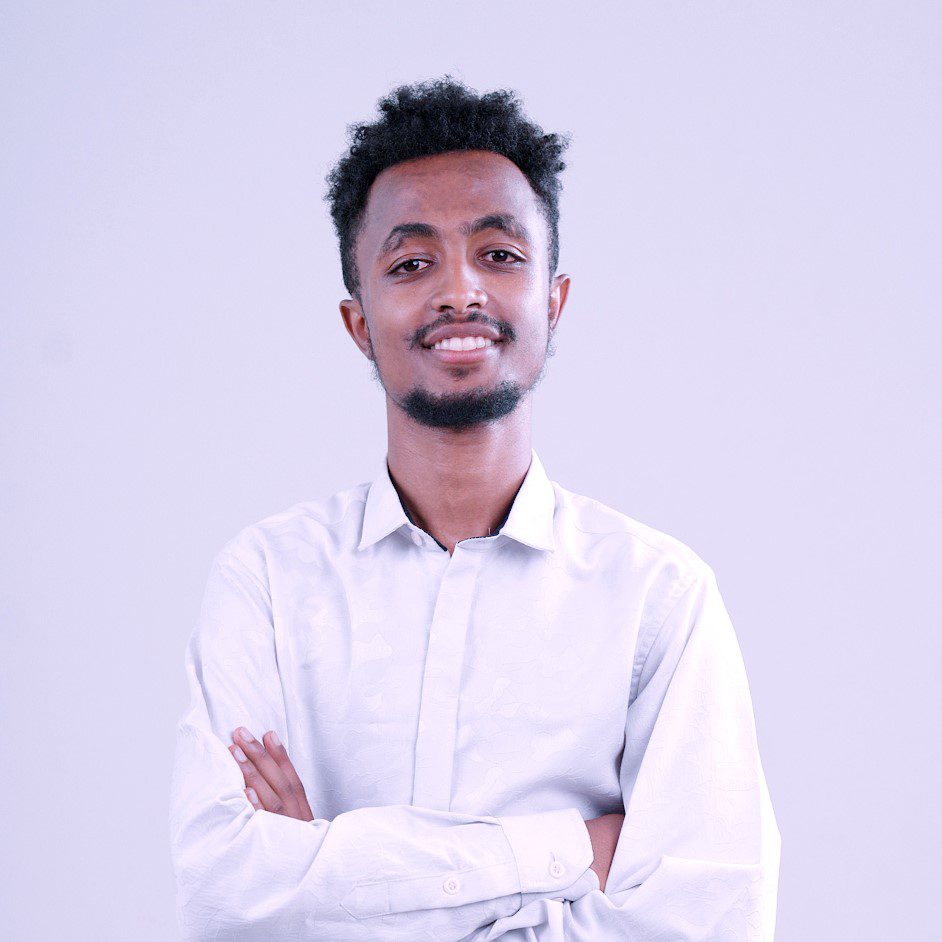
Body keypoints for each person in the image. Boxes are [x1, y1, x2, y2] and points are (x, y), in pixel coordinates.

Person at [169, 75, 781, 941]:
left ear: (553, 303)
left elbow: (707, 922)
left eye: (499, 255)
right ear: (358, 322)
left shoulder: (659, 597)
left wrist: (329, 874)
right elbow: (222, 897)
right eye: (411, 264)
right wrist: (569, 851)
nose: (460, 292)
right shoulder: (267, 582)